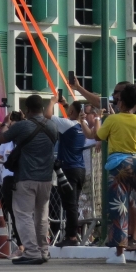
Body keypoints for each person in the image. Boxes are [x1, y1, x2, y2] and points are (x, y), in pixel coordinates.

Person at [0, 94, 58, 265]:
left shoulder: (22, 126)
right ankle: (44, 251)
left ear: (27, 109)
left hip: (25, 177)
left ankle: (31, 251)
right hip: (46, 178)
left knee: (23, 215)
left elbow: (2, 138)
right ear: (43, 107)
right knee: (42, 217)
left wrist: (6, 124)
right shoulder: (52, 126)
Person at [45, 94, 97, 247]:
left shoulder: (67, 124)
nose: (66, 112)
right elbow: (74, 114)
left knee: (70, 205)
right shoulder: (83, 125)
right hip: (80, 169)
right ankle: (72, 235)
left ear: (72, 113)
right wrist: (67, 104)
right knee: (73, 204)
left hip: (68, 170)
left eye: (69, 110)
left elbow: (47, 115)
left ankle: (71, 237)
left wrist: (53, 101)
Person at [94, 83, 136, 263]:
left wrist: (98, 120)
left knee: (119, 206)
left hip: (118, 165)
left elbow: (98, 136)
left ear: (121, 102)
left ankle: (120, 254)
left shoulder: (113, 119)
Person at [0, 127, 22, 256]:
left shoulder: (25, 140)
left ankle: (34, 244)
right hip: (8, 180)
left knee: (27, 213)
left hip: (23, 178)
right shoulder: (6, 143)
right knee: (14, 213)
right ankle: (21, 245)